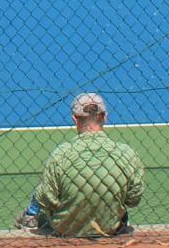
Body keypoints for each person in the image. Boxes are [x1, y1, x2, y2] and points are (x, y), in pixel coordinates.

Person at [21, 92, 143, 238]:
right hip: (110, 227)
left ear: (74, 119)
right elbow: (133, 199)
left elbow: (47, 197)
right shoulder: (126, 153)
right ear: (105, 117)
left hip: (66, 228)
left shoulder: (61, 154)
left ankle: (29, 217)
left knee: (44, 184)